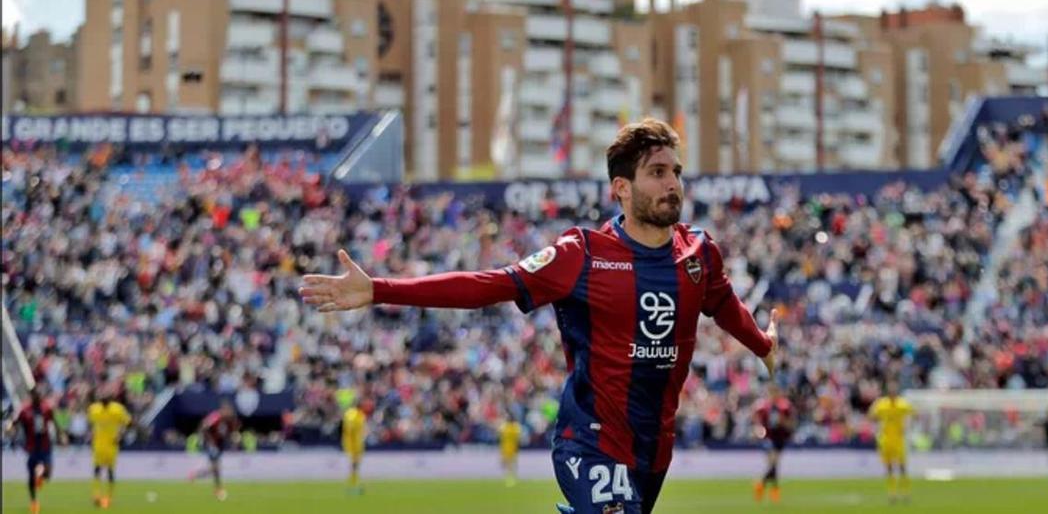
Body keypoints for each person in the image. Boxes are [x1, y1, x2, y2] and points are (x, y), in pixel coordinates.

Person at [300, 118, 778, 514]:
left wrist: (761, 344)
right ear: (622, 189)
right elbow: (489, 285)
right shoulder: (582, 255)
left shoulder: (699, 253)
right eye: (657, 172)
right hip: (591, 441)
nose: (672, 183)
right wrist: (380, 289)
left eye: (675, 171)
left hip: (653, 450)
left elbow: (725, 305)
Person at [11, 386, 59, 514]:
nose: (38, 397)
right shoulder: (25, 410)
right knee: (31, 476)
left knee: (48, 473)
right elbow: (16, 423)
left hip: (45, 446)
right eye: (35, 395)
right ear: (31, 397)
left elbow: (54, 422)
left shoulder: (46, 409)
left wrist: (61, 435)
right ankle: (34, 502)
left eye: (39, 395)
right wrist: (11, 428)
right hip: (31, 447)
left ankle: (41, 475)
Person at [868, 381, 913, 504]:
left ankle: (905, 493)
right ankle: (892, 493)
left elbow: (913, 413)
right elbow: (871, 415)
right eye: (890, 391)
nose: (892, 393)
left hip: (898, 439)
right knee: (889, 468)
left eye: (894, 391)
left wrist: (907, 425)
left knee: (902, 467)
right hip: (886, 439)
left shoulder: (902, 404)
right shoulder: (882, 404)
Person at [88, 386, 133, 508]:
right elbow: (91, 423)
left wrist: (121, 435)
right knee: (97, 469)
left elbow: (129, 423)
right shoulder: (94, 409)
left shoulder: (117, 410)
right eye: (102, 398)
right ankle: (96, 495)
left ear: (110, 399)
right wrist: (91, 434)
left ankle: (108, 497)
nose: (103, 400)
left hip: (112, 445)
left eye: (105, 398)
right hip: (98, 444)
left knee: (110, 471)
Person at [189, 399, 240, 501]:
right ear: (223, 410)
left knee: (214, 469)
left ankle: (196, 474)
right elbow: (204, 427)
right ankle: (218, 489)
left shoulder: (230, 420)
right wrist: (208, 442)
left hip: (219, 445)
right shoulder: (215, 417)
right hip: (210, 443)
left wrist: (234, 441)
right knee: (216, 467)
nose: (229, 413)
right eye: (227, 410)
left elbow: (231, 433)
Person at [752, 383, 795, 503]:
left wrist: (783, 422)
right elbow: (757, 421)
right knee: (773, 463)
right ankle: (771, 489)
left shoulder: (784, 407)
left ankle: (763, 484)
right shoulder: (763, 407)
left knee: (774, 466)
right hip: (768, 438)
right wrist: (758, 430)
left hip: (780, 438)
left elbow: (791, 424)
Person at [342, 398, 371, 495]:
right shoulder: (353, 414)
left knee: (355, 466)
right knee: (354, 465)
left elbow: (361, 429)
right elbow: (350, 429)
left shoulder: (359, 414)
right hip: (353, 444)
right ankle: (352, 486)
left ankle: (354, 485)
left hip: (356, 444)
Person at [499, 413, 523, 488]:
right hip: (512, 448)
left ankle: (510, 478)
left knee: (508, 464)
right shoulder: (516, 427)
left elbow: (499, 434)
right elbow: (519, 438)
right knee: (511, 464)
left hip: (507, 448)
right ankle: (511, 478)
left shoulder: (505, 427)